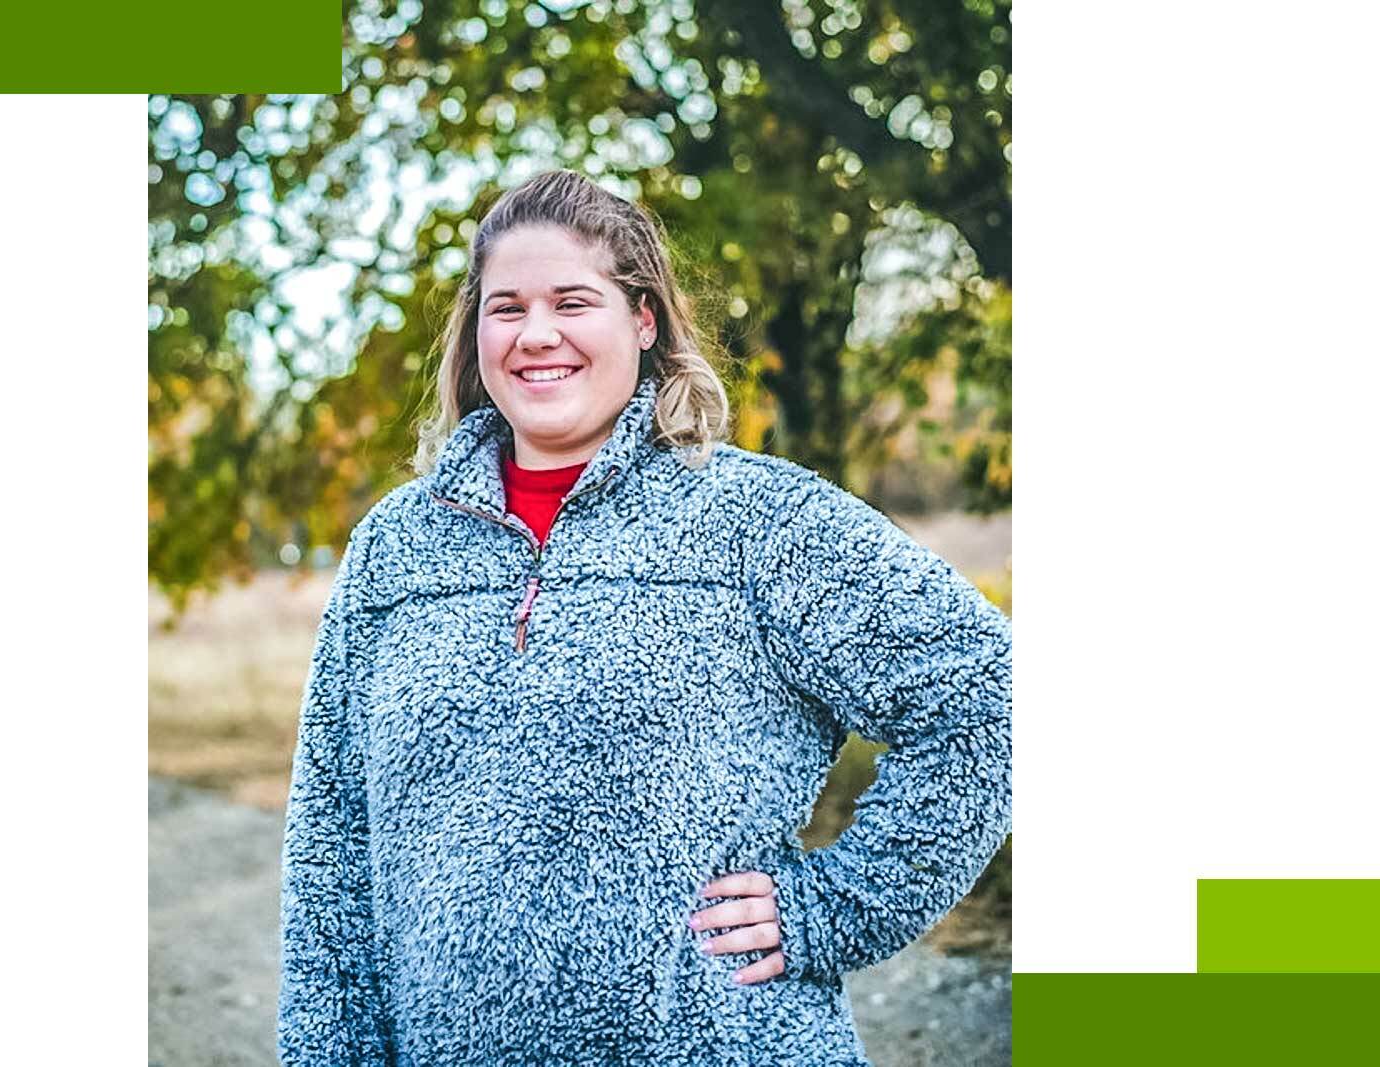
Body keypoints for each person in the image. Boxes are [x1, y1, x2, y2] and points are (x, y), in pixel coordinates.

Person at [277, 169, 1012, 1067]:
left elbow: (988, 695)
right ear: (475, 335)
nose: (536, 333)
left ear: (643, 320)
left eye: (572, 301)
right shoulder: (396, 549)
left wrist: (837, 904)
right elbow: (331, 847)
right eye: (505, 307)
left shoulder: (758, 521)